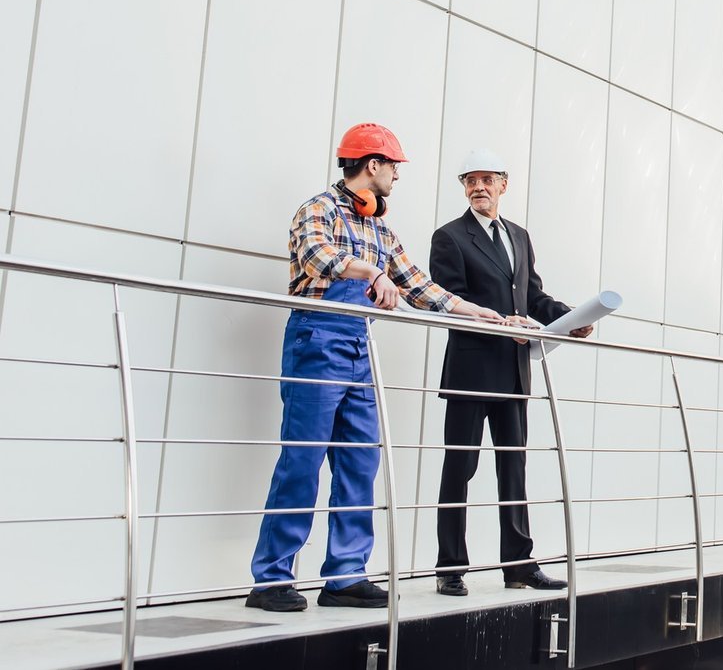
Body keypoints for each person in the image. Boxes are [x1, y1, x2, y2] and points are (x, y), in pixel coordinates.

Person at [246, 123, 502, 613]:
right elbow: (319, 257)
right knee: (302, 460)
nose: (397, 177)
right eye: (394, 167)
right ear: (373, 165)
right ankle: (272, 578)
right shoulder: (317, 210)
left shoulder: (381, 228)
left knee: (360, 462)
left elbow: (418, 286)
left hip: (359, 349)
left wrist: (474, 311)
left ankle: (344, 575)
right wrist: (370, 271)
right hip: (316, 339)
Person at [431, 148, 592, 596]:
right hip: (470, 369)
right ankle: (450, 567)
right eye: (470, 180)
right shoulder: (449, 237)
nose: (478, 187)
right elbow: (451, 300)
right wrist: (505, 325)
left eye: (487, 179)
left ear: (504, 184)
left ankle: (518, 565)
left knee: (513, 471)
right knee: (459, 469)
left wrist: (571, 316)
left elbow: (532, 298)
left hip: (515, 371)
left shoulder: (519, 236)